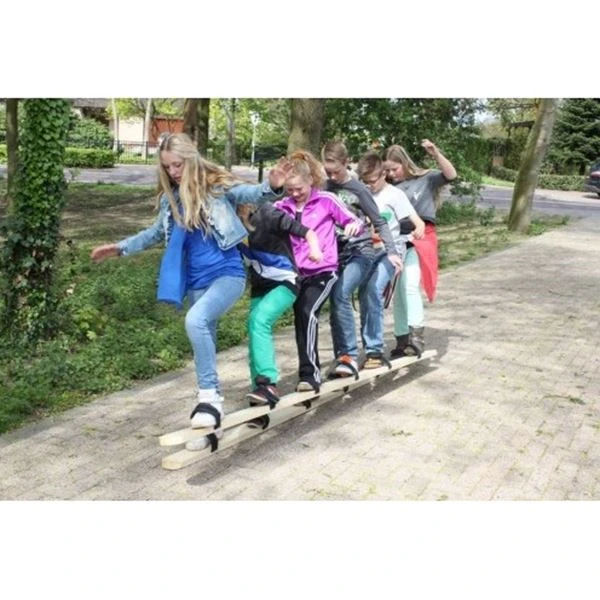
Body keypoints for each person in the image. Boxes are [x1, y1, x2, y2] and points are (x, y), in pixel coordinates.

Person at [90, 132, 289, 451]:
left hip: (227, 275)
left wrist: (272, 186)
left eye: (178, 165)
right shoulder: (171, 202)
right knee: (202, 341)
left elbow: (250, 192)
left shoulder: (216, 188)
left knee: (195, 321)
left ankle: (209, 400)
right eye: (167, 167)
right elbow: (154, 234)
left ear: (191, 160)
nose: (173, 171)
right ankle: (211, 423)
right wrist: (120, 248)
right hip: (196, 282)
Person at [274, 150, 363, 393]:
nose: (294, 194)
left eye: (299, 189)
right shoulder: (281, 206)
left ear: (310, 181)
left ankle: (310, 375)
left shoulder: (326, 200)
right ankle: (305, 371)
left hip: (324, 270)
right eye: (290, 190)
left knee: (308, 311)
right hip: (295, 273)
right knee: (300, 318)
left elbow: (353, 220)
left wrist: (353, 226)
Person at [321, 141, 403, 376]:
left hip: (361, 251)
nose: (332, 177)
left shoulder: (358, 189)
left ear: (346, 163)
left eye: (336, 171)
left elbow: (379, 222)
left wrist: (392, 252)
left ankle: (351, 354)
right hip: (335, 254)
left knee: (341, 292)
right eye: (328, 172)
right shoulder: (324, 187)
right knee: (336, 301)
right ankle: (342, 356)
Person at [236, 201, 323, 407]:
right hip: (260, 286)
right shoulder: (228, 224)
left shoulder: (268, 213)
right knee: (254, 327)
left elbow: (308, 232)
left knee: (259, 319)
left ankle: (267, 383)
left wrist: (315, 249)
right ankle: (259, 392)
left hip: (286, 281)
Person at [383, 139, 457, 357]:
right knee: (398, 292)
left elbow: (451, 175)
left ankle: (417, 337)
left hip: (421, 236)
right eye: (387, 170)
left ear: (404, 163)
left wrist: (436, 153)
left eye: (394, 169)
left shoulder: (425, 179)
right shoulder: (389, 187)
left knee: (410, 285)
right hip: (397, 239)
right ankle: (401, 338)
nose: (391, 174)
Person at [356, 151, 426, 364]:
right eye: (365, 182)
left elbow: (416, 220)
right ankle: (371, 346)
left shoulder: (395, 195)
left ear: (383, 174)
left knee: (375, 289)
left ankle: (377, 349)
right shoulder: (361, 194)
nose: (369, 186)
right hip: (369, 251)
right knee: (365, 295)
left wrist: (420, 228)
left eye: (372, 181)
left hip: (392, 251)